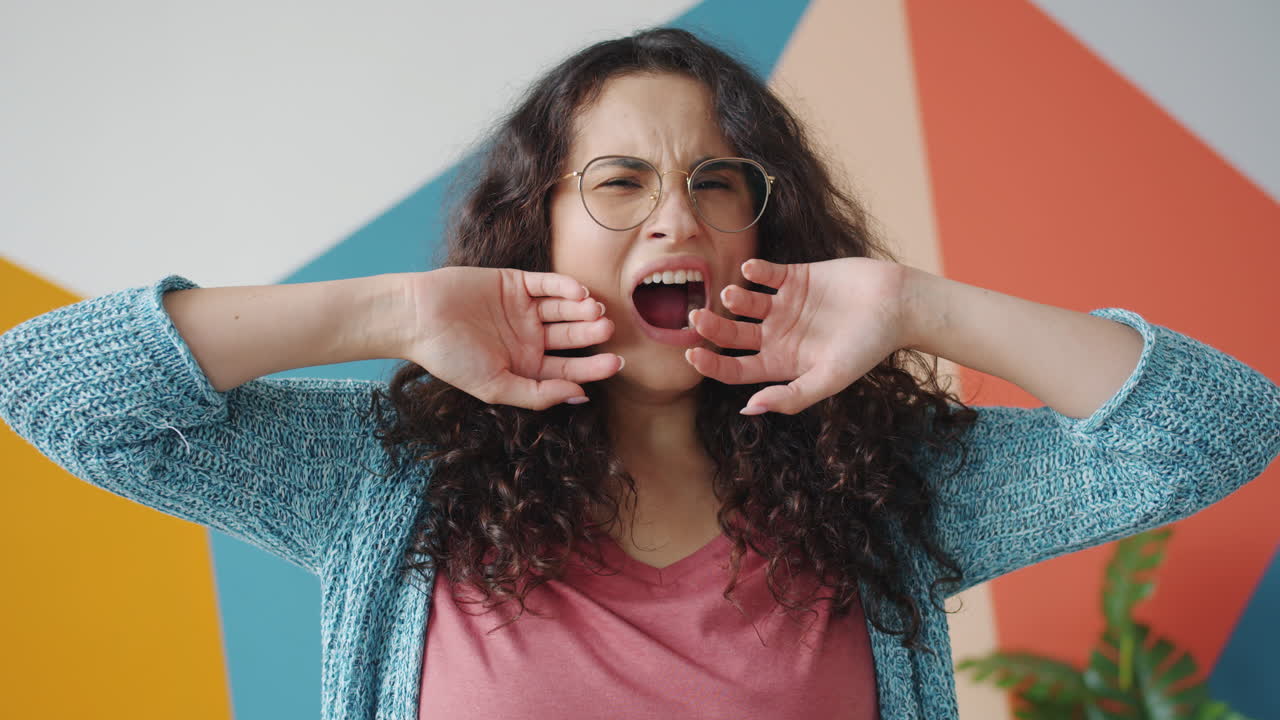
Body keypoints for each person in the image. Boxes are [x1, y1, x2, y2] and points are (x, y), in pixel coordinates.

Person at [1, 27, 1277, 720]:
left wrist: (912, 303)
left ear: (764, 234)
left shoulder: (885, 486)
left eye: (715, 182)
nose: (674, 218)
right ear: (538, 229)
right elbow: (56, 388)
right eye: (617, 182)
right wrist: (389, 306)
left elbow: (1213, 431)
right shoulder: (386, 477)